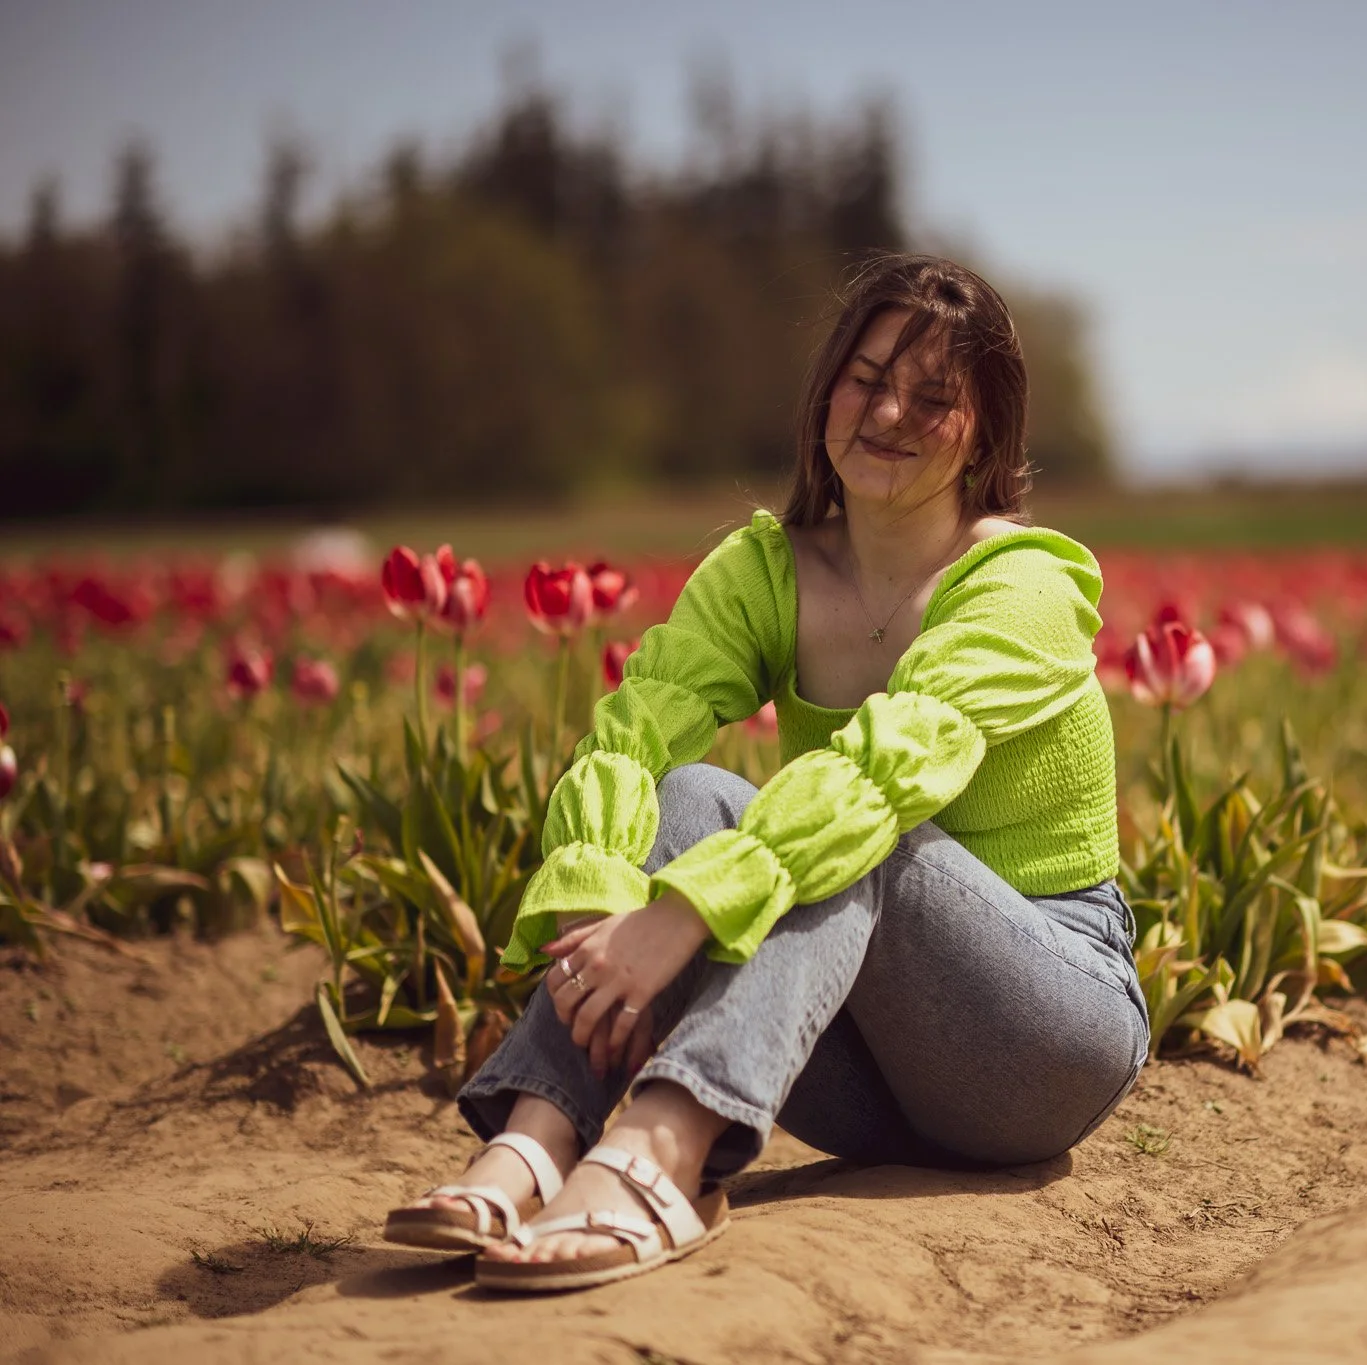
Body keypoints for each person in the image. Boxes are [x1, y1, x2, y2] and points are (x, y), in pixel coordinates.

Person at [382, 254, 1147, 1293]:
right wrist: (610, 902)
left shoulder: (1021, 587)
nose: (887, 411)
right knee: (689, 796)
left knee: (853, 835)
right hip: (856, 1077)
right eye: (866, 377)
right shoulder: (766, 570)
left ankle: (657, 1156)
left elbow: (878, 779)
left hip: (1037, 1040)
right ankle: (537, 1136)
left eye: (933, 397)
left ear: (986, 434)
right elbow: (624, 742)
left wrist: (678, 919)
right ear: (825, 388)